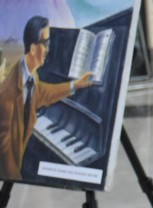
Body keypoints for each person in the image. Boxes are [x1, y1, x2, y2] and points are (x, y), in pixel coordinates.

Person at [0, 16, 95, 180]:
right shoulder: (8, 91)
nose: (49, 49)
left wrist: (75, 85)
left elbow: (42, 92)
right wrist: (15, 177)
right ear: (33, 48)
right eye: (46, 43)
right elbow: (3, 145)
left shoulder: (30, 74)